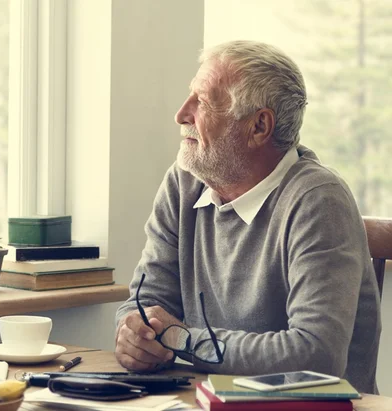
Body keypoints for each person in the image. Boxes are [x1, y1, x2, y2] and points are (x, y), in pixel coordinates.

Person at [114, 40, 382, 394]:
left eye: (204, 102)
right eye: (189, 96)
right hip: (201, 400)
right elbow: (145, 305)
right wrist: (134, 336)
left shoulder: (318, 199)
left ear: (258, 127)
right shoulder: (184, 182)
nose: (181, 114)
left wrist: (182, 340)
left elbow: (317, 354)